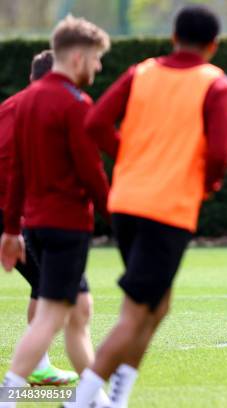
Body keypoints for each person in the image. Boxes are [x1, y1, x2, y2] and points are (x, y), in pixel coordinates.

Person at [69, 5, 227, 407]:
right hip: (167, 209)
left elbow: (95, 123)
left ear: (173, 37)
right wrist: (208, 184)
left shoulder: (140, 72)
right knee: (136, 314)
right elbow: (219, 153)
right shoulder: (218, 85)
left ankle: (120, 395)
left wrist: (126, 157)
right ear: (213, 45)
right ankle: (79, 401)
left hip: (126, 203)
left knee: (158, 306)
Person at [0, 15, 111, 408]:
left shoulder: (21, 103)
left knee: (79, 310)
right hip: (66, 225)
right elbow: (91, 171)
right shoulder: (75, 102)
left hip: (35, 225)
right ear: (78, 57)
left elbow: (15, 175)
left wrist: (12, 228)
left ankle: (94, 398)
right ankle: (8, 396)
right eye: (97, 59)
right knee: (51, 317)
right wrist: (117, 215)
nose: (98, 67)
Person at [0, 49, 80, 386]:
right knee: (52, 289)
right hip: (11, 215)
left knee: (45, 285)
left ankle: (37, 368)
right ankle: (18, 384)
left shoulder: (9, 106)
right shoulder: (44, 108)